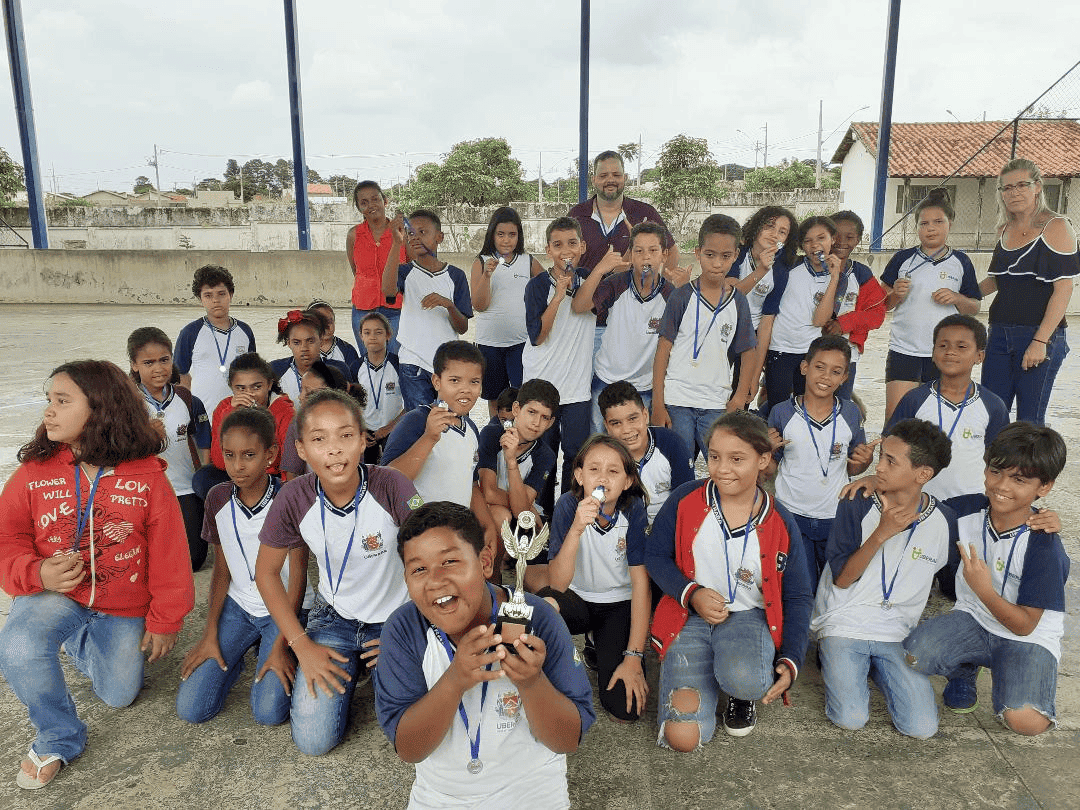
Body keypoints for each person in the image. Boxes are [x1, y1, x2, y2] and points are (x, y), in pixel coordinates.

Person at [0, 360, 195, 790]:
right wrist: (36, 572)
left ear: (100, 408)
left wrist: (166, 619)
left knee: (119, 695)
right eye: (49, 400)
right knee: (18, 645)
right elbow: (6, 535)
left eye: (62, 401)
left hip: (121, 604)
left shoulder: (146, 475)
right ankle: (59, 736)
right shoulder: (35, 471)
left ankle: (76, 640)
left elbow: (170, 554)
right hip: (57, 594)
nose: (48, 411)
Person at [374, 502, 594, 810]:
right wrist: (454, 681)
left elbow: (567, 739)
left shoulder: (539, 620)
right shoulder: (403, 630)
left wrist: (532, 683)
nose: (435, 580)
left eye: (449, 561)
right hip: (442, 795)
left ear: (485, 562)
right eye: (419, 569)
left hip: (531, 789)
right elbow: (409, 749)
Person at [255, 388, 422, 756]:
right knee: (314, 741)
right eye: (319, 439)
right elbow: (266, 573)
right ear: (301, 449)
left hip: (394, 619)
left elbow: (428, 560)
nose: (334, 450)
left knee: (411, 729)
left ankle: (371, 668)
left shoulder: (392, 485)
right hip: (335, 619)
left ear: (362, 440)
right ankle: (351, 667)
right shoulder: (293, 497)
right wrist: (301, 645)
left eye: (345, 436)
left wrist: (411, 630)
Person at [647, 412, 813, 746]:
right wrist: (691, 593)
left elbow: (798, 595)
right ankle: (710, 667)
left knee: (746, 679)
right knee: (683, 738)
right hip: (690, 616)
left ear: (763, 460)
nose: (722, 469)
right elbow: (655, 555)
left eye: (737, 459)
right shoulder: (685, 498)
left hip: (748, 617)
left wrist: (791, 657)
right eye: (714, 457)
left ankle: (739, 689)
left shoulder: (781, 521)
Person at [904, 422, 1069, 735]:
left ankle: (1014, 669)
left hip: (1025, 638)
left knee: (1027, 722)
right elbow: (914, 504)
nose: (1001, 485)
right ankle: (965, 669)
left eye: (1019, 479)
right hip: (975, 619)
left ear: (1044, 487)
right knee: (915, 655)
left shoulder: (1043, 545)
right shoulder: (967, 510)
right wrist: (875, 481)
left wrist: (984, 590)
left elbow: (1025, 625)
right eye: (996, 472)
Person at [810, 418, 957, 739]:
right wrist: (881, 534)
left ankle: (875, 667)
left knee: (922, 728)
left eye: (891, 461)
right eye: (881, 458)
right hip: (844, 623)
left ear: (923, 474)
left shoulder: (944, 520)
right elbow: (842, 580)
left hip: (898, 633)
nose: (878, 467)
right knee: (850, 718)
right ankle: (836, 657)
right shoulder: (856, 502)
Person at [177, 407, 314, 726]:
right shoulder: (217, 498)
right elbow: (221, 571)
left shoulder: (289, 499)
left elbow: (298, 576)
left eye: (249, 455)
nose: (238, 466)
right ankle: (238, 651)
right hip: (239, 608)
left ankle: (269, 646)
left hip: (285, 610)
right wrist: (210, 633)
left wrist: (282, 644)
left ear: (270, 454)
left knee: (269, 713)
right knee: (192, 709)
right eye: (230, 455)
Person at [538, 436, 651, 722]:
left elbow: (640, 584)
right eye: (594, 469)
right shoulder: (568, 505)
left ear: (627, 481)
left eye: (613, 471)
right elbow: (558, 584)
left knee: (625, 709)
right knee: (543, 607)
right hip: (577, 598)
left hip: (618, 603)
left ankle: (599, 642)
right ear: (579, 475)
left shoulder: (633, 509)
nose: (603, 478)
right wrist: (576, 528)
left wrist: (634, 656)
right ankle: (548, 670)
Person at [522, 217, 629, 500]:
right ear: (548, 250)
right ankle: (541, 512)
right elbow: (538, 337)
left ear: (582, 246)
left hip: (576, 389)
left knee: (575, 456)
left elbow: (597, 291)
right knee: (543, 455)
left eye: (572, 243)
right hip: (542, 386)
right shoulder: (536, 286)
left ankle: (569, 513)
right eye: (557, 245)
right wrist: (558, 297)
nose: (565, 250)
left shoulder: (592, 280)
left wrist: (608, 264)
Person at [767, 335, 877, 583]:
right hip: (791, 514)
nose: (826, 377)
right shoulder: (781, 412)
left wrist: (865, 461)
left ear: (844, 377)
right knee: (803, 585)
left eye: (836, 371)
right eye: (819, 367)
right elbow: (769, 469)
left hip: (834, 515)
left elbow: (854, 467)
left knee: (834, 584)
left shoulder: (851, 413)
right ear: (805, 367)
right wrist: (767, 451)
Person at [979, 158, 1079, 425]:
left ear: (1037, 187)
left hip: (1039, 334)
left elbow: (1064, 289)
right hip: (999, 332)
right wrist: (961, 294)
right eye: (1007, 187)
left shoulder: (1056, 226)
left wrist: (1040, 341)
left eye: (1022, 185)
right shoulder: (1003, 229)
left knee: (1029, 421)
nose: (1014, 193)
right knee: (992, 414)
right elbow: (998, 280)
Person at [652, 214, 757, 461]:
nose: (717, 263)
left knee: (722, 466)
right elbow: (662, 350)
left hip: (716, 403)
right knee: (679, 465)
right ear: (698, 253)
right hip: (677, 400)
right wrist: (658, 404)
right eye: (710, 255)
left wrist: (739, 397)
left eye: (725, 256)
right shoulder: (681, 296)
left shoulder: (738, 302)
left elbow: (748, 351)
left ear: (736, 255)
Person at [381, 341, 499, 557]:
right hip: (418, 536)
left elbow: (471, 483)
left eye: (474, 381)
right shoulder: (416, 421)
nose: (465, 389)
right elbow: (389, 480)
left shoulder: (471, 429)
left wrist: (487, 524)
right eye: (454, 380)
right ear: (437, 381)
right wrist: (429, 437)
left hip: (456, 536)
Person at [880, 190, 982, 424]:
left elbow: (974, 307)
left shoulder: (961, 261)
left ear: (950, 224)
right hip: (904, 349)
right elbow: (881, 306)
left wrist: (956, 298)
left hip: (945, 354)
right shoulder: (902, 259)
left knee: (936, 420)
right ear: (917, 227)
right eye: (924, 223)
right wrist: (895, 295)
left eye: (938, 222)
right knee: (896, 419)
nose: (931, 228)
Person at [887, 315, 1009, 501]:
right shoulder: (915, 400)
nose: (950, 352)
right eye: (943, 346)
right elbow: (891, 448)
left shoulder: (993, 405)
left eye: (961, 347)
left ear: (979, 356)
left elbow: (999, 459)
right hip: (919, 502)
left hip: (972, 503)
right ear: (933, 353)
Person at [127, 326, 212, 570]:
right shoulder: (126, 404)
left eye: (164, 360)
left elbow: (204, 439)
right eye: (148, 362)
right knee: (141, 559)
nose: (158, 368)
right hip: (142, 491)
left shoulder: (187, 399)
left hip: (184, 487)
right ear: (134, 365)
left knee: (194, 560)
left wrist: (203, 479)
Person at [590, 220, 683, 432]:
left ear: (664, 255)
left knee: (638, 441)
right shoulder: (615, 284)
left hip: (646, 387)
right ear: (630, 255)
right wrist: (600, 270)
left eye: (653, 250)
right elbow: (580, 306)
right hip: (607, 380)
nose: (646, 257)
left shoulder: (672, 295)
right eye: (639, 251)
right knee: (600, 440)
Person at [382, 209, 473, 412]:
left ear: (439, 237)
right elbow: (387, 290)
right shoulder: (406, 272)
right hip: (413, 363)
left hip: (446, 365)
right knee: (420, 419)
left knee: (448, 419)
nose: (415, 238)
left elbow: (463, 327)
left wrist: (448, 304)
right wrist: (396, 243)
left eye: (422, 232)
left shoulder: (456, 276)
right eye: (410, 233)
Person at [757, 216, 846, 416]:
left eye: (821, 238)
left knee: (807, 410)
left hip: (810, 354)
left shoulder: (840, 279)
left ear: (832, 239)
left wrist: (833, 278)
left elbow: (820, 320)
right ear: (801, 246)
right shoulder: (790, 265)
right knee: (777, 410)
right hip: (779, 350)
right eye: (807, 241)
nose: (815, 245)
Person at [469, 206, 544, 417]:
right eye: (500, 234)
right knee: (495, 399)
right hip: (490, 344)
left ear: (519, 236)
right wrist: (486, 276)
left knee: (523, 396)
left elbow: (546, 288)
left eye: (512, 234)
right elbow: (479, 305)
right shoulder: (481, 261)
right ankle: (497, 433)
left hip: (521, 343)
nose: (506, 240)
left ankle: (520, 433)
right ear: (492, 234)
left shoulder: (528, 260)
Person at [193, 354, 295, 500]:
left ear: (269, 384)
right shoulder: (224, 407)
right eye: (241, 389)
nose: (249, 395)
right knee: (203, 478)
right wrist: (230, 414)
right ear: (231, 387)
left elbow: (288, 460)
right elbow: (219, 461)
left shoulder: (284, 411)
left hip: (269, 475)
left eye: (257, 387)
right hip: (236, 473)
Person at [726, 206, 798, 401]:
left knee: (741, 396)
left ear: (786, 240)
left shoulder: (780, 270)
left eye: (782, 232)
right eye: (769, 226)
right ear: (756, 227)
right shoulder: (737, 253)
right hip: (723, 328)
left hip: (751, 336)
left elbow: (766, 324)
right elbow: (730, 297)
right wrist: (761, 270)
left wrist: (755, 376)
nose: (774, 234)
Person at [568, 150, 679, 274]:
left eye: (616, 175)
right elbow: (564, 257)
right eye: (603, 176)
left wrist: (663, 283)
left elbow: (672, 251)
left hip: (632, 287)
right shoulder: (576, 215)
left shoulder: (645, 214)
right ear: (594, 180)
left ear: (625, 178)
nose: (610, 180)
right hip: (586, 286)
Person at [599, 381, 693, 527]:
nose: (626, 430)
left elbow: (687, 501)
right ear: (607, 426)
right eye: (616, 423)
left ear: (645, 415)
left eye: (632, 419)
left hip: (668, 528)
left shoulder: (671, 443)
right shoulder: (600, 457)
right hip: (623, 531)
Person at [476, 378, 559, 534]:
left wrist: (511, 461)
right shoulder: (492, 435)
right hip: (490, 510)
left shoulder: (546, 455)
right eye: (532, 412)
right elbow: (488, 493)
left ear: (550, 423)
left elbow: (521, 511)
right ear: (516, 409)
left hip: (521, 516)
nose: (536, 423)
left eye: (545, 417)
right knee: (501, 515)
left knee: (533, 526)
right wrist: (526, 505)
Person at [174, 264, 257, 415]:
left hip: (239, 413)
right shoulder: (190, 332)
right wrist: (187, 409)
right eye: (208, 295)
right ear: (200, 299)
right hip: (203, 414)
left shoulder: (245, 331)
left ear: (231, 295)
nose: (215, 300)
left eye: (221, 294)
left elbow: (253, 372)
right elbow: (181, 374)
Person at [822, 211, 887, 400]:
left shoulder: (861, 274)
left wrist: (844, 324)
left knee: (840, 403)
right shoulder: (812, 268)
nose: (842, 242)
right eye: (835, 236)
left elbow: (877, 315)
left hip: (846, 354)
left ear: (858, 240)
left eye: (849, 237)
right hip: (807, 349)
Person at [346, 180, 404, 355]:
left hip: (395, 309)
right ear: (359, 208)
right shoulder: (354, 235)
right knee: (368, 360)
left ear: (384, 201)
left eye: (375, 199)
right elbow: (356, 270)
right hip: (363, 310)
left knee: (394, 360)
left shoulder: (401, 232)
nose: (371, 205)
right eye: (364, 202)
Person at [278, 360, 351, 480]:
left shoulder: (351, 427)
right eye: (302, 390)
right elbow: (292, 475)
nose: (301, 397)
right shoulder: (298, 424)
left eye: (310, 393)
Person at [354, 312, 405, 464]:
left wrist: (389, 428)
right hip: (365, 433)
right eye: (367, 333)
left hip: (394, 429)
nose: (372, 337)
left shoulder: (399, 365)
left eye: (378, 332)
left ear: (388, 335)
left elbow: (410, 404)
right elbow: (350, 405)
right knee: (367, 471)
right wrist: (360, 430)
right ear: (361, 336)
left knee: (393, 469)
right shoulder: (356, 367)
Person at [270, 309, 350, 404]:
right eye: (296, 343)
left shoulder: (339, 369)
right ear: (289, 343)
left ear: (321, 341)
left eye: (310, 341)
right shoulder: (275, 370)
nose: (304, 348)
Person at [308, 299, 363, 381]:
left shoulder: (347, 350)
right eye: (321, 322)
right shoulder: (305, 349)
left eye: (330, 321)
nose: (327, 326)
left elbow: (355, 380)